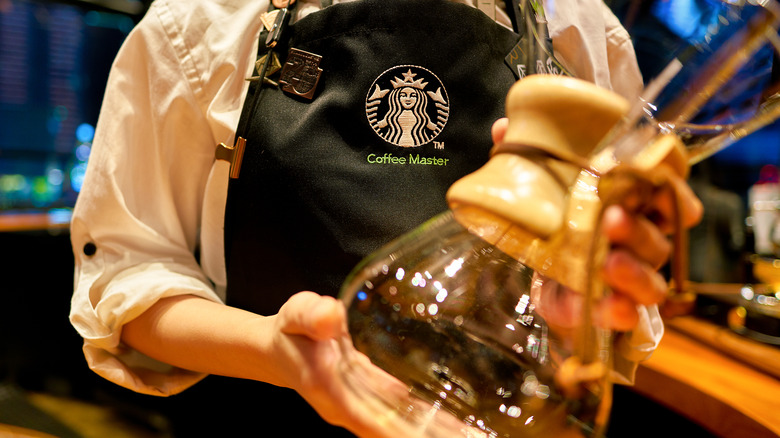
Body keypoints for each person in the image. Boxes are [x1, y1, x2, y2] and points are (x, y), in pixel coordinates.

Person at [68, 0, 702, 436]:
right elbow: (131, 270)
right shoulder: (204, 21)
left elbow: (608, 293)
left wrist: (591, 299)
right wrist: (276, 352)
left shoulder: (579, 28)